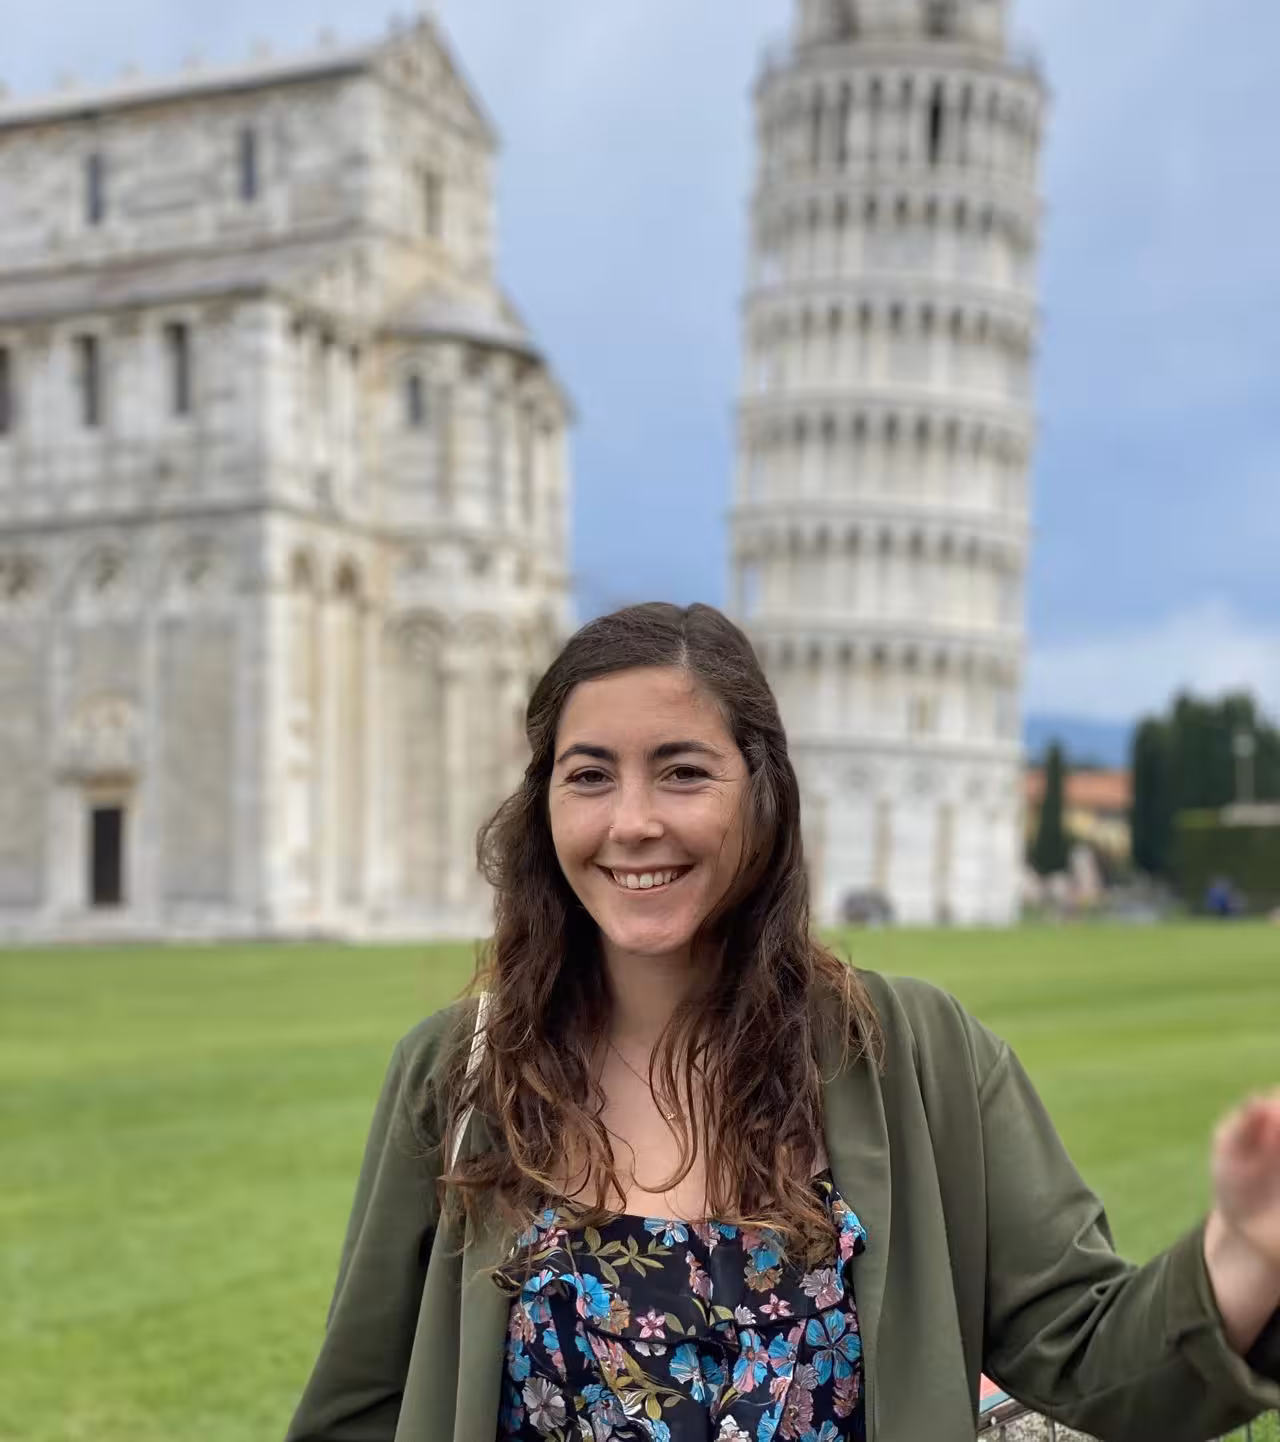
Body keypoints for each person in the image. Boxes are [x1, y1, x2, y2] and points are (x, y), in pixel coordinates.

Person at [285, 602, 1280, 1442]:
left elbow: (1089, 1355)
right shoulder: (461, 1071)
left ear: (762, 794)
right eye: (588, 773)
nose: (632, 819)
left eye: (681, 771)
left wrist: (1245, 1246)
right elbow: (361, 1406)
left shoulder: (906, 1054)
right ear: (544, 804)